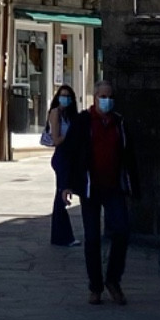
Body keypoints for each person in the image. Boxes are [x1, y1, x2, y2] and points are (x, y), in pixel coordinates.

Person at [58, 80, 134, 303]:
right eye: (103, 96)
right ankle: (95, 286)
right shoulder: (83, 122)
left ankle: (113, 279)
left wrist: (131, 183)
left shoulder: (119, 122)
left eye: (109, 96)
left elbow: (128, 154)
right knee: (92, 238)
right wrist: (66, 184)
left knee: (121, 231)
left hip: (114, 187)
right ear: (95, 98)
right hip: (90, 188)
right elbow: (69, 153)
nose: (106, 100)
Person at [39, 81, 79, 246]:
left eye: (68, 96)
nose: (65, 99)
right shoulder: (55, 113)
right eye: (62, 96)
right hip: (61, 156)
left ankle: (60, 236)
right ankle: (63, 236)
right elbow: (56, 139)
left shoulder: (70, 115)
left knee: (62, 193)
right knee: (61, 195)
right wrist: (71, 137)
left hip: (70, 156)